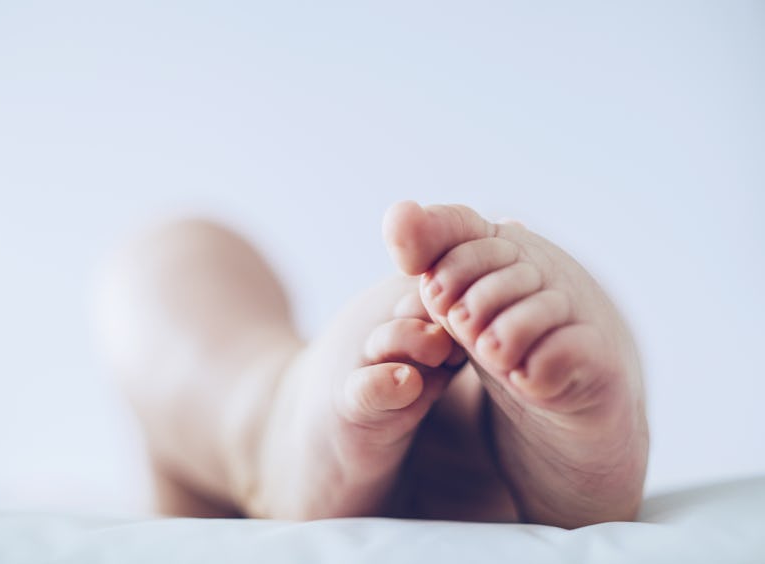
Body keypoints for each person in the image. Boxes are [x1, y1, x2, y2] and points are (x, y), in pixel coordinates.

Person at [96, 200, 649, 528]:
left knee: (172, 255)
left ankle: (267, 419)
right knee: (177, 252)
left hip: (241, 490)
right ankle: (488, 422)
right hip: (467, 482)